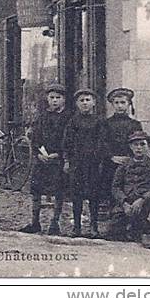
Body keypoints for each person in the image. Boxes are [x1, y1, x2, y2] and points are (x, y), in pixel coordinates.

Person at [107, 131, 150, 249]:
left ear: (148, 146)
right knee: (113, 232)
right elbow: (115, 187)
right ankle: (132, 230)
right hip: (128, 202)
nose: (139, 148)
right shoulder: (124, 165)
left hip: (146, 202)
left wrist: (142, 199)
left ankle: (147, 233)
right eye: (135, 145)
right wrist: (124, 203)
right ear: (130, 147)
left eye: (142, 144)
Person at [21, 84, 70, 235]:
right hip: (42, 159)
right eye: (52, 98)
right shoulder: (42, 117)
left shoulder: (68, 118)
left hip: (58, 160)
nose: (54, 101)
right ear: (47, 99)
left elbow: (69, 140)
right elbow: (35, 138)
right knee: (36, 190)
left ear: (64, 99)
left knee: (58, 191)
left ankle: (54, 223)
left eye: (58, 98)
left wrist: (59, 155)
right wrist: (38, 153)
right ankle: (35, 222)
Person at [63, 88, 103, 237]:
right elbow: (67, 142)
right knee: (76, 196)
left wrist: (97, 159)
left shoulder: (99, 121)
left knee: (94, 196)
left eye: (88, 100)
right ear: (77, 104)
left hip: (93, 164)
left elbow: (102, 142)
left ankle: (94, 227)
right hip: (76, 163)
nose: (85, 103)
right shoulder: (73, 121)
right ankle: (77, 227)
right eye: (81, 100)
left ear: (94, 103)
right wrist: (67, 161)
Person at [97, 87, 142, 210]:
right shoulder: (106, 123)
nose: (120, 106)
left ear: (128, 104)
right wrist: (112, 156)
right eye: (116, 103)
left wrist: (131, 157)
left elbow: (139, 143)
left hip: (129, 162)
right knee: (112, 187)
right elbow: (102, 142)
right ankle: (113, 215)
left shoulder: (135, 124)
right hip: (111, 162)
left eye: (123, 102)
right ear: (112, 104)